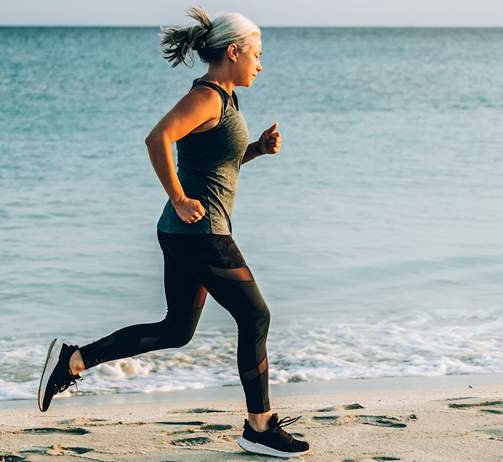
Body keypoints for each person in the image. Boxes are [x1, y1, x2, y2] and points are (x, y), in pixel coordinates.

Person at [37, 7, 310, 458]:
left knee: (177, 329)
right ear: (234, 51)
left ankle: (72, 360)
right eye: (257, 55)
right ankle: (259, 426)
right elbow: (157, 138)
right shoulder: (206, 96)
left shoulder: (224, 98)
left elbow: (214, 166)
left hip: (187, 233)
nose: (260, 65)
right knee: (256, 316)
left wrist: (256, 149)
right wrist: (180, 197)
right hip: (200, 232)